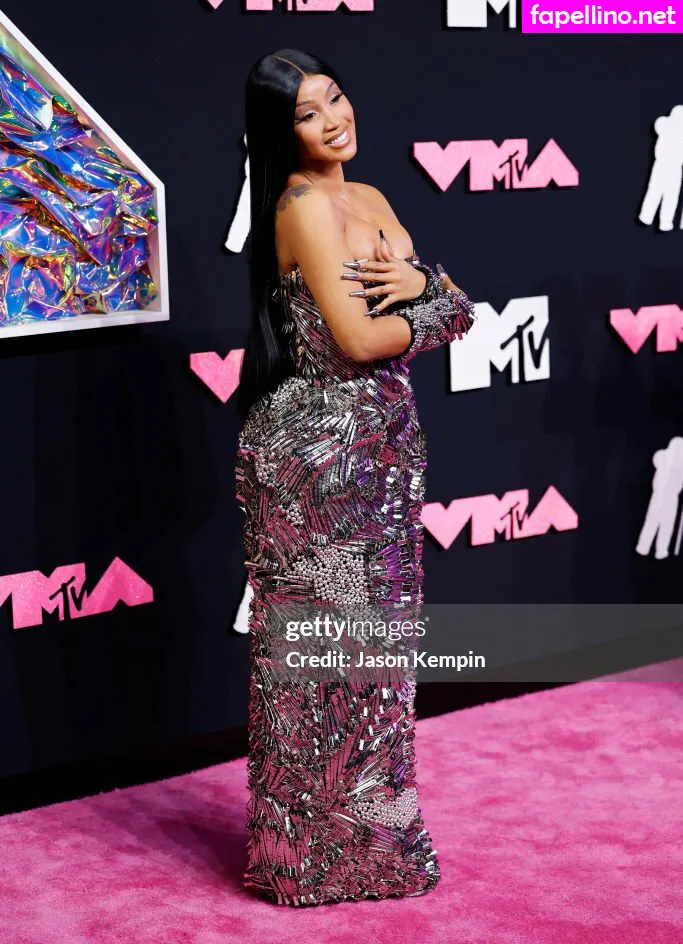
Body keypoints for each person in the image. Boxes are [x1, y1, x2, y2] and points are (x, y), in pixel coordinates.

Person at [235, 48, 476, 907]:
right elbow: (362, 339)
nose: (333, 119)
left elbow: (426, 298)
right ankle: (302, 863)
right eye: (307, 113)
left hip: (383, 449)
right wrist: (444, 302)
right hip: (320, 459)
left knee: (378, 667)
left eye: (334, 97)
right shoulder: (300, 207)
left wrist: (425, 287)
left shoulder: (369, 196)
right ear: (281, 132)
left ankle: (372, 853)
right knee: (318, 670)